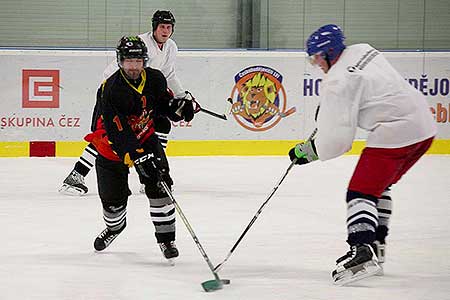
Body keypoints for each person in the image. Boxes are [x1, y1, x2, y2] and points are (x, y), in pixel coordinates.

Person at [289, 24, 437, 285]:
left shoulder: (337, 81)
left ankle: (362, 251)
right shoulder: (362, 50)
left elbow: (337, 141)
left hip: (396, 131)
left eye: (316, 57)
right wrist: (332, 111)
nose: (315, 64)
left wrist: (310, 151)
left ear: (329, 52)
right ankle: (377, 246)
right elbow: (365, 91)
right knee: (379, 187)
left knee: (360, 192)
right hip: (424, 127)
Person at [59, 10, 189, 196]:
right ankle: (76, 175)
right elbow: (117, 73)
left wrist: (182, 96)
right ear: (154, 27)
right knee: (107, 136)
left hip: (141, 96)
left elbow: (168, 75)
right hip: (115, 93)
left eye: (169, 27)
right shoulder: (141, 44)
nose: (165, 31)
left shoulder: (171, 47)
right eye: (162, 26)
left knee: (161, 125)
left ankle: (151, 176)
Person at [90, 35, 194, 260]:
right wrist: (137, 156)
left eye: (138, 61)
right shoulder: (111, 89)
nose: (134, 66)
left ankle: (166, 239)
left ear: (145, 61)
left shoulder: (155, 78)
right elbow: (117, 130)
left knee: (160, 183)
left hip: (145, 136)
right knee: (113, 201)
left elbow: (162, 105)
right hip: (111, 146)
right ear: (120, 61)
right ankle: (115, 227)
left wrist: (179, 108)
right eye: (129, 61)